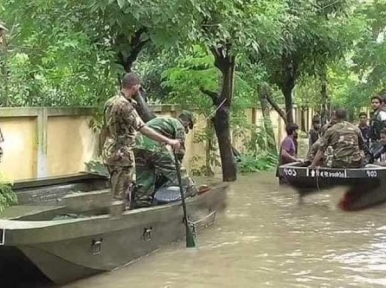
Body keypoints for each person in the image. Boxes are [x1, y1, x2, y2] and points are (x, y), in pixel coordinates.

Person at [102, 72, 181, 210]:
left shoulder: (109, 102)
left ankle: (114, 219)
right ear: (135, 87)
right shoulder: (125, 105)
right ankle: (119, 225)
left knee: (115, 190)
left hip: (109, 152)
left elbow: (105, 130)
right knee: (122, 196)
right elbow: (143, 128)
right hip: (122, 156)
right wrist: (169, 140)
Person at [133, 111, 199, 208]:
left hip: (137, 145)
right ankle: (191, 189)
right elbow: (179, 151)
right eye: (188, 127)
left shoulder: (164, 120)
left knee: (145, 174)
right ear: (187, 123)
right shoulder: (179, 125)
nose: (186, 130)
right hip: (152, 145)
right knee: (174, 168)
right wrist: (177, 167)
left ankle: (142, 201)